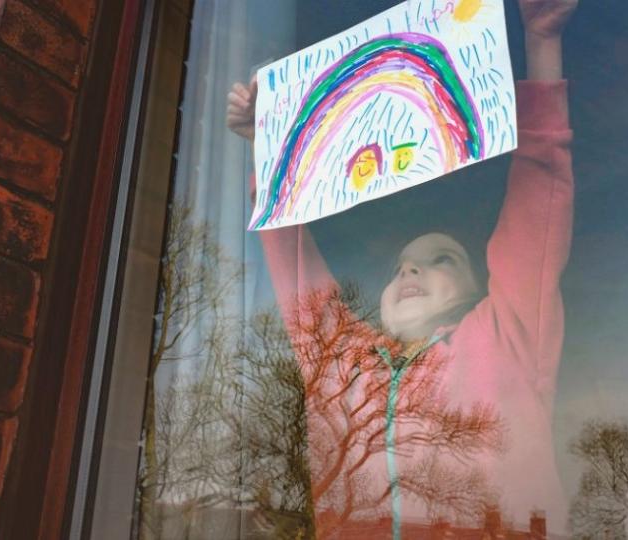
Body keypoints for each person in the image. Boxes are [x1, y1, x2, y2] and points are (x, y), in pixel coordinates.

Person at [228, 0, 577, 535]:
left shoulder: (504, 335)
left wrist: (542, 44)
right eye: (401, 268)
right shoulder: (343, 367)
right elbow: (294, 265)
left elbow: (539, 199)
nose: (411, 273)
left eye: (441, 260)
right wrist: (267, 148)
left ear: (481, 287)